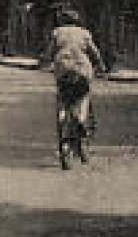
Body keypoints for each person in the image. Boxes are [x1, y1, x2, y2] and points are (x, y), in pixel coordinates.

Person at [43, 8, 106, 151]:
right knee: (83, 96)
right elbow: (94, 52)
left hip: (63, 69)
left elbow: (49, 51)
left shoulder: (57, 32)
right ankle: (81, 119)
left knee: (63, 98)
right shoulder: (84, 33)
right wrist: (101, 65)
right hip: (82, 69)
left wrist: (44, 61)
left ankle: (62, 118)